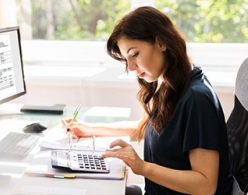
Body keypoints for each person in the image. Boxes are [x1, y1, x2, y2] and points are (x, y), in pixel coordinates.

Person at [63, 6, 233, 195]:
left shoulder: (197, 100)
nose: (131, 67)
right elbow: (144, 129)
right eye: (126, 59)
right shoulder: (168, 82)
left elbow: (205, 186)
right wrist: (90, 130)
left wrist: (142, 167)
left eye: (134, 54)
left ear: (161, 42)